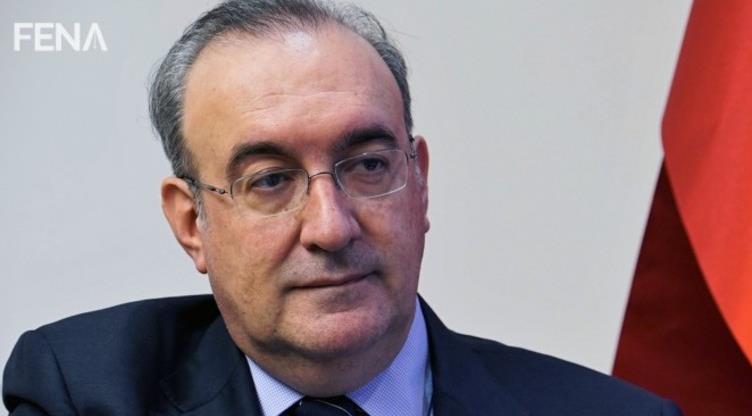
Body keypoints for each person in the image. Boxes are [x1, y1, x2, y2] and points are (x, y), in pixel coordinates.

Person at [2, 1, 681, 415]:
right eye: (270, 180)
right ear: (191, 224)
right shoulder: (85, 394)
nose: (331, 226)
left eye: (367, 166)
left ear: (419, 182)